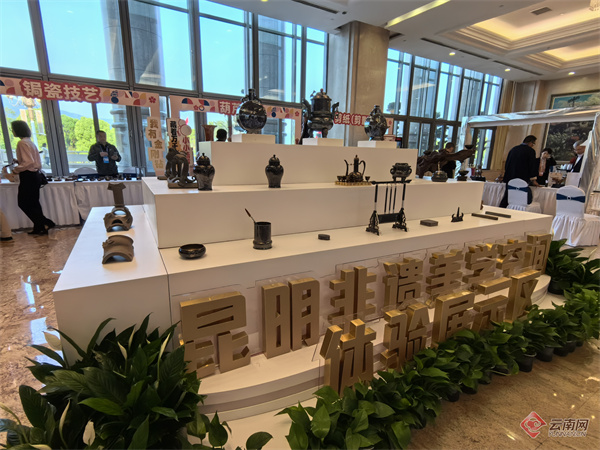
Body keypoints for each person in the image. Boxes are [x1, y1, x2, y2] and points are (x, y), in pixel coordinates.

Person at [10, 120, 55, 235]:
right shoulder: (29, 142)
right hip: (35, 175)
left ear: (17, 130)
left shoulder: (22, 143)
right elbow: (32, 161)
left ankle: (45, 223)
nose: (12, 131)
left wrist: (15, 170)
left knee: (23, 203)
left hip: (28, 176)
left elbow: (29, 162)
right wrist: (19, 162)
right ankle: (40, 227)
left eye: (12, 129)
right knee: (34, 203)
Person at [499, 135, 539, 207]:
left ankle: (502, 209)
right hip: (522, 178)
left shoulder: (513, 149)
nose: (533, 146)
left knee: (508, 196)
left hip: (510, 177)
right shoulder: (530, 151)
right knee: (520, 198)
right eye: (533, 144)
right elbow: (532, 165)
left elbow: (507, 163)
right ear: (530, 142)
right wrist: (533, 179)